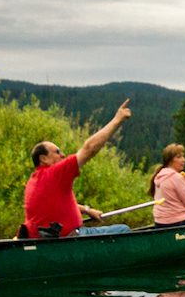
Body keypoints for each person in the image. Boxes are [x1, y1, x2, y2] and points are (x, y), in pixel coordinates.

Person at [23, 99, 133, 238]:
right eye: (57, 152)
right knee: (123, 229)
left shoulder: (35, 180)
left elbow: (56, 204)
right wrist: (117, 119)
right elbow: (89, 148)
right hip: (71, 237)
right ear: (43, 158)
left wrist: (87, 210)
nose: (63, 155)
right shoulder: (55, 173)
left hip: (47, 238)